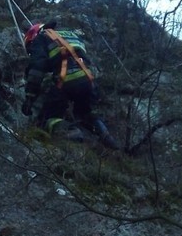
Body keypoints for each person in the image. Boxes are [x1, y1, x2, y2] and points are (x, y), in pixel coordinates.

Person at [21, 19, 120, 148]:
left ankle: (72, 133)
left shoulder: (41, 38)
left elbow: (37, 67)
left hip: (66, 80)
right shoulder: (70, 35)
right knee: (85, 112)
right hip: (88, 80)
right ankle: (106, 136)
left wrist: (30, 96)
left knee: (48, 117)